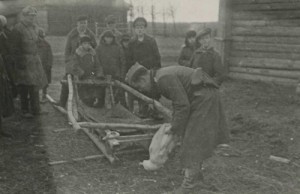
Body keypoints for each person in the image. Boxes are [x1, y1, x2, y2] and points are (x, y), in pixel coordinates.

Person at [126, 64, 229, 193]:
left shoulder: (163, 79)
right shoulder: (161, 76)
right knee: (192, 138)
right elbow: (180, 104)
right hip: (202, 96)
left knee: (192, 141)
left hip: (203, 99)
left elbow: (182, 105)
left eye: (140, 87)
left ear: (143, 79)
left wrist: (175, 127)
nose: (143, 90)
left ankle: (189, 185)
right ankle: (196, 179)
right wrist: (177, 124)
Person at [11, 6, 48, 117]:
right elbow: (14, 48)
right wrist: (19, 62)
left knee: (35, 85)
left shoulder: (35, 28)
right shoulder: (18, 29)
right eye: (29, 16)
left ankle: (36, 110)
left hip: (34, 60)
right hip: (24, 61)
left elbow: (38, 42)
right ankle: (25, 110)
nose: (31, 18)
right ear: (24, 16)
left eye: (33, 16)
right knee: (24, 87)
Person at [56, 15, 97, 108]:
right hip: (73, 62)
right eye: (81, 23)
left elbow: (95, 47)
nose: (83, 25)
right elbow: (67, 51)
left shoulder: (90, 34)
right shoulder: (72, 35)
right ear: (77, 24)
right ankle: (62, 102)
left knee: (88, 81)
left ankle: (89, 102)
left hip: (86, 63)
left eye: (85, 23)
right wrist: (68, 64)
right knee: (67, 80)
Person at [128, 17, 162, 118]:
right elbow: (129, 58)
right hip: (138, 72)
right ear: (134, 29)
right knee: (141, 90)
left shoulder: (151, 41)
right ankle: (143, 111)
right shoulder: (132, 43)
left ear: (145, 28)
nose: (140, 29)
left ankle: (156, 111)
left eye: (142, 27)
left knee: (154, 91)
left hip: (150, 71)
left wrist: (156, 70)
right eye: (137, 27)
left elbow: (157, 56)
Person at [71, 35, 104, 107]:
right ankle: (85, 103)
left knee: (95, 90)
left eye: (88, 44)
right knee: (84, 93)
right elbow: (75, 65)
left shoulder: (93, 53)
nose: (87, 45)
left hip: (92, 74)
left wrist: (99, 73)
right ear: (81, 44)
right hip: (82, 76)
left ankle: (93, 101)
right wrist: (81, 73)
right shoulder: (78, 53)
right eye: (85, 43)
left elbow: (97, 65)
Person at [96, 30, 126, 107]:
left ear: (113, 38)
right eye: (107, 38)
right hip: (103, 73)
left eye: (110, 38)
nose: (109, 39)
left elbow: (122, 61)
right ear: (103, 38)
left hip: (116, 73)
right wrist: (100, 72)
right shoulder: (99, 48)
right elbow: (97, 62)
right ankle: (100, 103)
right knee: (101, 90)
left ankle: (121, 105)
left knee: (118, 90)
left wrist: (121, 74)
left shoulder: (118, 47)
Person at [37, 28, 53, 102]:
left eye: (42, 37)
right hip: (37, 66)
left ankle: (44, 95)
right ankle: (36, 96)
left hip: (45, 66)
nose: (41, 39)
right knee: (36, 81)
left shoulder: (47, 44)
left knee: (45, 81)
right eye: (39, 37)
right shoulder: (34, 44)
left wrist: (49, 64)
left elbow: (50, 56)